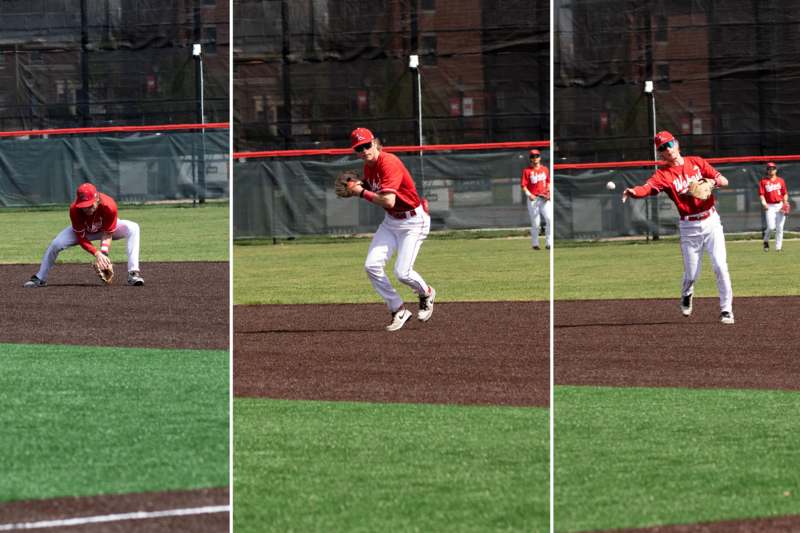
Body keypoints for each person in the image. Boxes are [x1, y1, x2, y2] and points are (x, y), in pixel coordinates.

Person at [622, 131, 734, 324]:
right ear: (660, 154)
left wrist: (712, 182)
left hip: (711, 221)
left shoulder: (697, 162)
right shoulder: (663, 174)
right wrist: (634, 192)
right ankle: (687, 293)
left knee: (720, 266)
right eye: (663, 148)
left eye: (669, 144)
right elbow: (646, 188)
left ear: (677, 144)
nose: (668, 149)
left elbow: (724, 181)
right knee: (692, 274)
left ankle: (726, 310)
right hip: (689, 226)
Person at [341, 127, 435, 331]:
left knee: (402, 272)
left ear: (375, 142)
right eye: (359, 148)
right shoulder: (368, 166)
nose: (365, 150)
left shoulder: (388, 162)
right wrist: (358, 185)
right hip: (391, 222)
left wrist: (360, 192)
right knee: (371, 266)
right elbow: (375, 189)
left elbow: (388, 201)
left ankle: (426, 292)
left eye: (367, 145)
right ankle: (398, 309)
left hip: (413, 222)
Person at [24, 182, 144, 287]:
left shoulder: (109, 206)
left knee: (133, 228)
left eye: (90, 205)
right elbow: (81, 238)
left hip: (104, 231)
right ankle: (40, 278)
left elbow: (107, 233)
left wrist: (103, 255)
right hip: (86, 232)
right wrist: (96, 253)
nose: (86, 209)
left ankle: (133, 273)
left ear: (97, 199)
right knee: (56, 244)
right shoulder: (74, 209)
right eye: (84, 206)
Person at [521, 149, 552, 250]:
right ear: (530, 159)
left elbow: (548, 182)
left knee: (549, 219)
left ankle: (549, 243)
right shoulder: (527, 171)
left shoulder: (545, 169)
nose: (535, 158)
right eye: (533, 156)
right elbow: (524, 185)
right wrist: (528, 194)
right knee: (536, 223)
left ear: (540, 158)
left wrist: (548, 192)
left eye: (537, 156)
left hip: (544, 198)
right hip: (533, 199)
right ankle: (535, 244)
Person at [759, 162, 789, 252]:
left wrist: (785, 202)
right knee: (771, 227)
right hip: (770, 206)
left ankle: (778, 248)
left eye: (773, 168)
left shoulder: (781, 180)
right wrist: (764, 203)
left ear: (776, 170)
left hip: (780, 205)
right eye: (769, 169)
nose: (771, 170)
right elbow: (761, 194)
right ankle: (766, 240)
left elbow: (785, 193)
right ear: (767, 170)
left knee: (780, 227)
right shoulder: (763, 181)